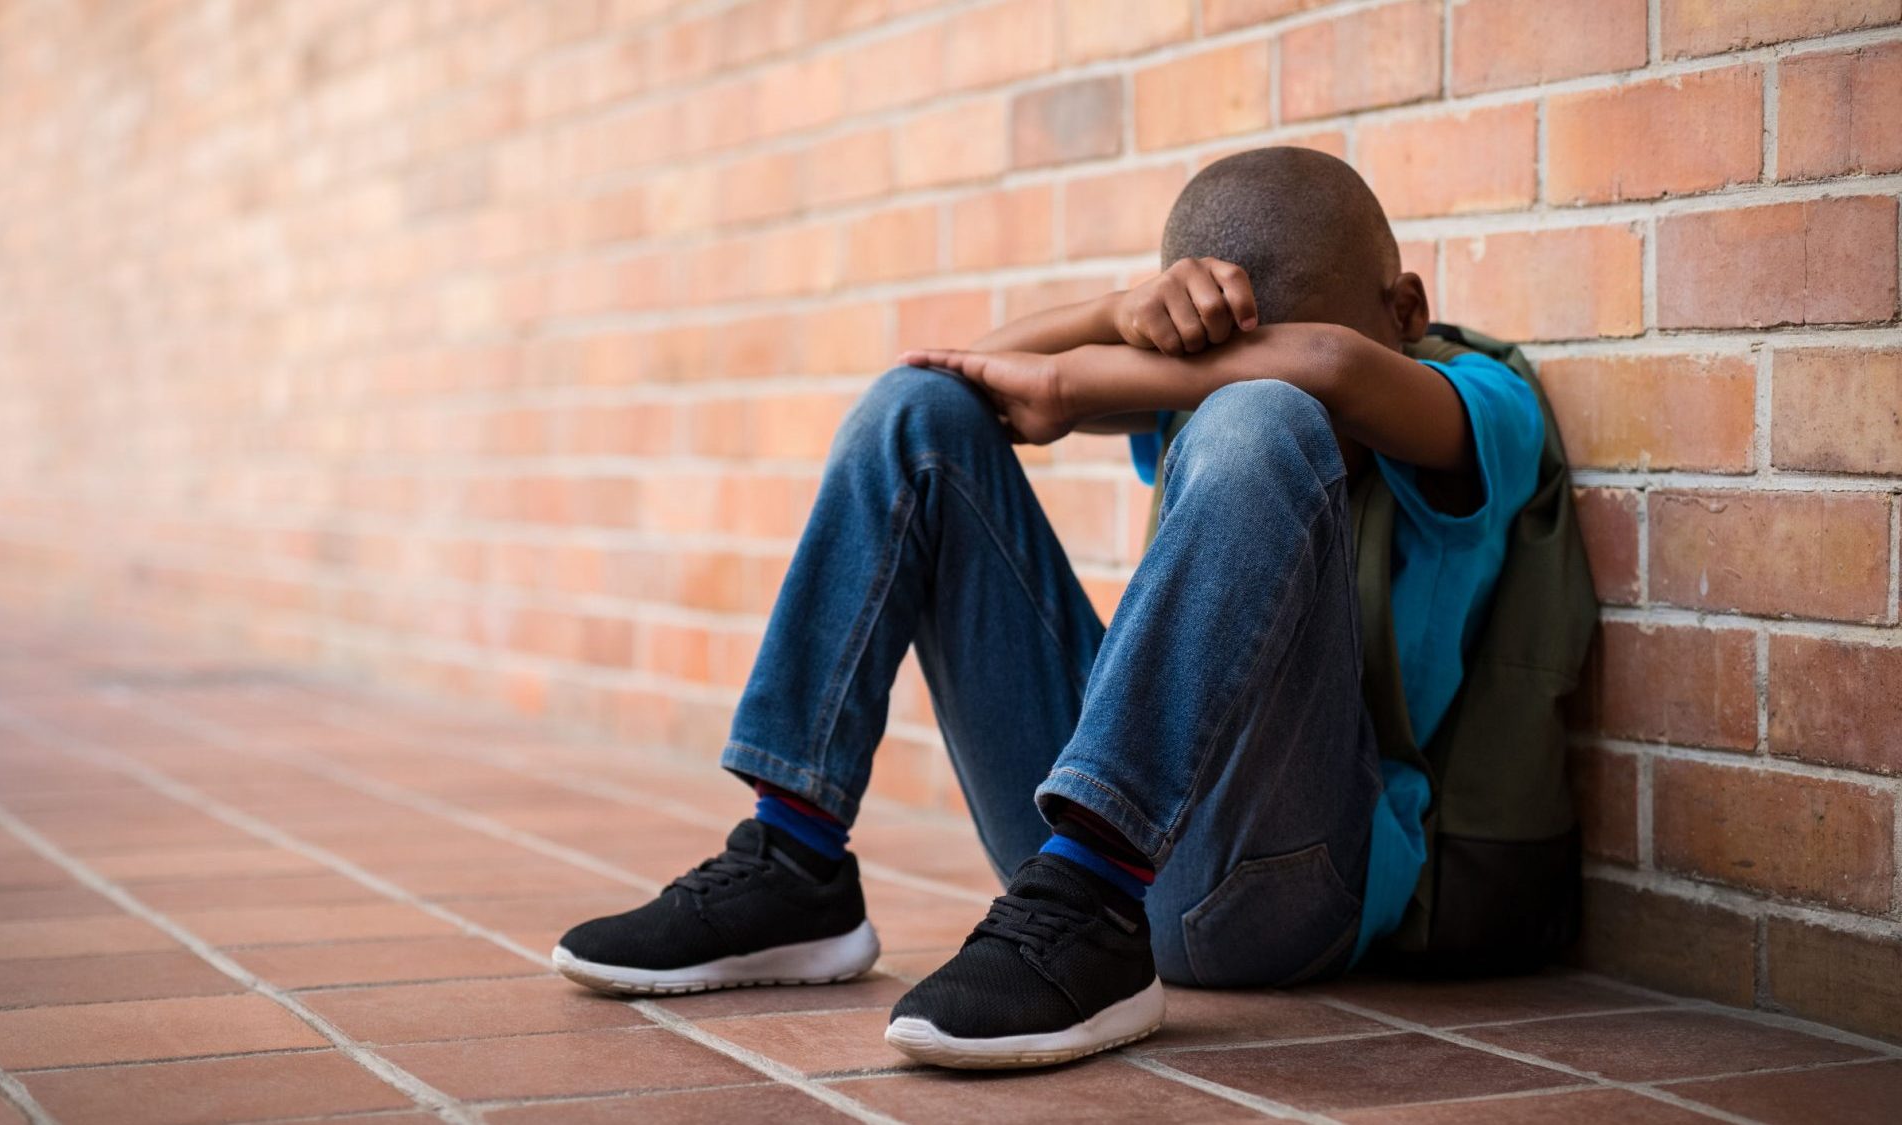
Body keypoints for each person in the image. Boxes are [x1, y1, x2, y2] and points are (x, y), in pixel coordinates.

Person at [552, 147, 1545, 1069]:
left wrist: (1075, 382)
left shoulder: (1477, 404)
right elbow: (964, 372)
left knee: (1265, 416)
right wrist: (1122, 312)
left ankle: (1094, 909)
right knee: (916, 413)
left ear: (1405, 307)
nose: (1218, 383)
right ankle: (794, 855)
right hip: (1070, 858)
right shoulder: (1198, 391)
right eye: (1214, 360)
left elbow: (1326, 368)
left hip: (1289, 890)